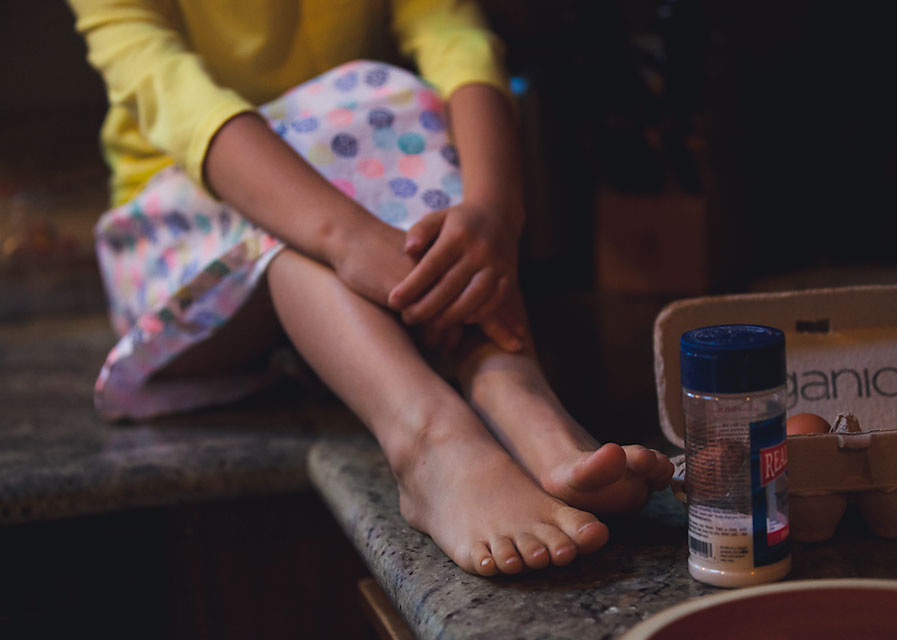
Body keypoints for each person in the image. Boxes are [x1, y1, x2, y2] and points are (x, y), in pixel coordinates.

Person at [68, 0, 674, 576]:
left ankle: (518, 397)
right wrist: (345, 238)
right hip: (179, 237)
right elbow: (169, 88)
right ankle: (429, 438)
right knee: (288, 214)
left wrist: (493, 212)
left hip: (361, 194)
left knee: (393, 103)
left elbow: (452, 34)